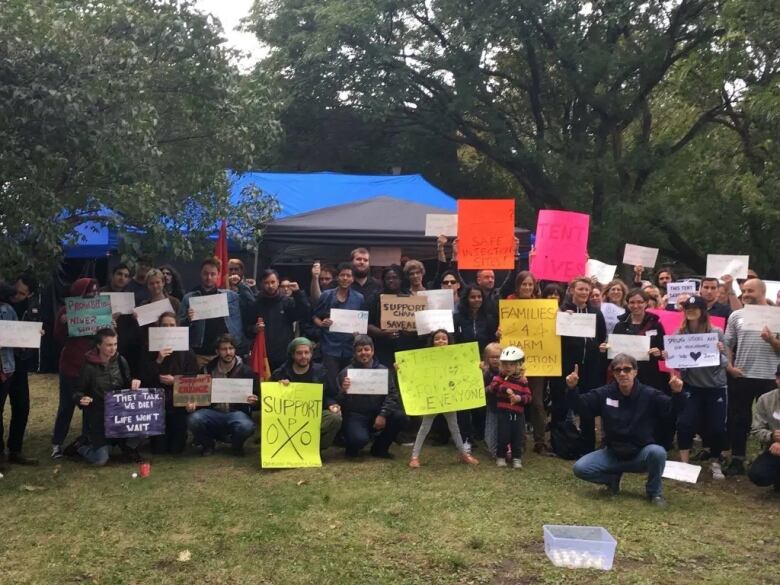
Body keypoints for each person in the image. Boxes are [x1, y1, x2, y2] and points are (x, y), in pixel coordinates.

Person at [567, 355, 686, 507]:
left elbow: (672, 412)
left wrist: (677, 393)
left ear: (635, 372)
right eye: (618, 370)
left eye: (627, 369)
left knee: (658, 452)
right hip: (612, 453)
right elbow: (582, 407)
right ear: (614, 374)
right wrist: (572, 389)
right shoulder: (605, 393)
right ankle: (612, 479)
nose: (623, 373)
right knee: (580, 468)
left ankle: (654, 492)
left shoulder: (649, 394)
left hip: (641, 453)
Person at [723, 278, 780, 475]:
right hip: (742, 375)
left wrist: (772, 340)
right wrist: (729, 366)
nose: (745, 294)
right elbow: (728, 344)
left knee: (773, 419)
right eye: (744, 291)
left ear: (763, 292)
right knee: (738, 418)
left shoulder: (777, 316)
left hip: (771, 377)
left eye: (750, 291)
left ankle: (771, 458)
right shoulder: (736, 315)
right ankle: (737, 458)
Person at [672, 296, 728, 479]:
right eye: (688, 307)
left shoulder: (717, 332)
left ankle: (715, 460)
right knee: (684, 423)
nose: (691, 310)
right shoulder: (679, 334)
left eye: (695, 307)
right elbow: (677, 363)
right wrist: (670, 355)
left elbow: (725, 362)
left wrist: (719, 353)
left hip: (715, 387)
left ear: (703, 311)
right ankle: (684, 464)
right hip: (692, 386)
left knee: (717, 427)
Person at [407, 330, 480, 468]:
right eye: (437, 339)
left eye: (444, 339)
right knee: (424, 427)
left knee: (454, 427)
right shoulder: (425, 358)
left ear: (449, 341)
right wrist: (401, 367)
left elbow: (466, 369)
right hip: (433, 398)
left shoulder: (455, 357)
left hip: (449, 398)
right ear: (432, 342)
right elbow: (413, 370)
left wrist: (478, 367)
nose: (441, 341)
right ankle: (414, 457)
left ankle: (464, 454)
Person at [71, 328, 143, 465]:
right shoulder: (88, 367)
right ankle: (80, 446)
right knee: (101, 460)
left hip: (121, 414)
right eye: (109, 345)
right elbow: (77, 391)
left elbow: (128, 383)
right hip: (99, 418)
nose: (113, 348)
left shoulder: (121, 361)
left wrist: (134, 382)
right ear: (98, 345)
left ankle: (128, 447)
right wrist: (81, 399)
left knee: (146, 424)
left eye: (115, 344)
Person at [551, 277, 607, 452]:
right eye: (580, 289)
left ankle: (587, 444)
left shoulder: (596, 312)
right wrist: (560, 318)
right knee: (561, 403)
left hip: (590, 366)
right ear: (571, 290)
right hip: (566, 365)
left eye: (586, 290)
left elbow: (601, 336)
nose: (584, 293)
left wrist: (601, 347)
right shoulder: (562, 310)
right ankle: (558, 443)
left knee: (587, 405)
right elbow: (552, 335)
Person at [51, 277, 100, 459]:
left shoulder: (100, 310)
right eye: (88, 294)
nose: (92, 296)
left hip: (93, 367)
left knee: (91, 405)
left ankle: (86, 441)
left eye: (95, 293)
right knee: (67, 406)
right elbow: (58, 337)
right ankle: (57, 443)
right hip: (71, 366)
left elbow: (105, 338)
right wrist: (64, 323)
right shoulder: (66, 311)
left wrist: (110, 325)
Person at [187, 334, 258, 456]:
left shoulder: (247, 371)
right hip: (212, 412)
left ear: (235, 350)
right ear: (217, 351)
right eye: (224, 349)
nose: (228, 352)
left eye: (231, 348)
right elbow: (197, 392)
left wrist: (255, 399)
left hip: (236, 413)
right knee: (194, 419)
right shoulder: (207, 370)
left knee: (247, 426)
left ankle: (236, 446)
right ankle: (208, 445)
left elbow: (258, 396)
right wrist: (193, 403)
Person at [337, 335, 406, 458]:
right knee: (358, 440)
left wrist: (383, 414)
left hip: (378, 412)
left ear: (372, 351)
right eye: (359, 350)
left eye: (366, 349)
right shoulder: (345, 373)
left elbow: (392, 394)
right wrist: (343, 390)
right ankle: (352, 444)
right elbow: (338, 401)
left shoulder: (383, 371)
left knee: (399, 417)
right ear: (354, 353)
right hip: (356, 415)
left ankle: (380, 449)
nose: (363, 353)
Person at [138, 312, 198, 454]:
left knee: (176, 449)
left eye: (172, 325)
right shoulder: (149, 348)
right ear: (159, 327)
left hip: (178, 401)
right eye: (164, 325)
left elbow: (194, 376)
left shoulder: (187, 350)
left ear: (177, 327)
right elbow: (143, 376)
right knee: (159, 449)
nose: (168, 328)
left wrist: (176, 381)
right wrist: (158, 360)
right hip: (157, 402)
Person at [270, 337, 342, 450]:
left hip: (313, 415)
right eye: (299, 353)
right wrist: (278, 388)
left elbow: (329, 394)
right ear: (292, 355)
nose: (303, 356)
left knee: (335, 418)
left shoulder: (321, 371)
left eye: (306, 352)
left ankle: (315, 449)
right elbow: (268, 401)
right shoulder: (280, 373)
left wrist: (331, 404)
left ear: (311, 354)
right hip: (288, 418)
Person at [505, 271, 549, 453]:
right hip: (515, 364)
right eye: (524, 284)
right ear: (518, 285)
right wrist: (500, 332)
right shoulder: (509, 304)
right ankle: (518, 442)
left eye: (531, 285)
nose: (527, 288)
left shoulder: (543, 306)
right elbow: (502, 327)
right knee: (517, 402)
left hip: (538, 363)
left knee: (537, 403)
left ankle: (540, 442)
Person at [179, 257, 249, 368]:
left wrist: (240, 284)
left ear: (218, 275)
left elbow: (251, 304)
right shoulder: (188, 298)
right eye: (205, 274)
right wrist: (188, 319)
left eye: (213, 274)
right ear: (200, 274)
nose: (209, 277)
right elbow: (179, 327)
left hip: (225, 354)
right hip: (200, 354)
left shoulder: (230, 296)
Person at [3, 275, 42, 466]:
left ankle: (15, 449)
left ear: (29, 294)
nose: (16, 295)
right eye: (15, 289)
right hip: (4, 363)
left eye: (21, 293)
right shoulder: (5, 305)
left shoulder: (32, 308)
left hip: (20, 363)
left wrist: (35, 335)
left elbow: (37, 330)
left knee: (22, 406)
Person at [313, 263, 365, 392]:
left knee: (348, 383)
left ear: (353, 279)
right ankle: (333, 407)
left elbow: (362, 320)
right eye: (343, 275)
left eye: (348, 275)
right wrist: (321, 323)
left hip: (350, 347)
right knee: (331, 383)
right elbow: (314, 316)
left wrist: (358, 333)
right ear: (337, 277)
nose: (345, 278)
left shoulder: (359, 298)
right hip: (330, 346)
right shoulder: (326, 295)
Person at [244, 269, 309, 372]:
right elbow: (246, 329)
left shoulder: (287, 301)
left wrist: (298, 293)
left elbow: (303, 313)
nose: (270, 286)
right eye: (266, 283)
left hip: (284, 356)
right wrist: (254, 329)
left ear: (278, 282)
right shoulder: (255, 303)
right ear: (261, 284)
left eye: (273, 282)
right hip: (262, 355)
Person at [487, 346, 533, 469]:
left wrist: (519, 399)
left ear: (519, 365)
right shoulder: (500, 377)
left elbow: (528, 396)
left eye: (511, 365)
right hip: (503, 413)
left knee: (517, 437)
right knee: (503, 436)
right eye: (505, 364)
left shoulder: (523, 381)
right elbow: (493, 387)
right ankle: (501, 456)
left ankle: (516, 458)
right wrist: (505, 389)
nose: (508, 367)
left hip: (518, 414)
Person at [748, 364, 780, 491]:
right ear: (777, 379)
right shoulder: (765, 400)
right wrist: (771, 436)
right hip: (775, 449)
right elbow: (756, 429)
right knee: (758, 474)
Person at [453, 285, 499, 355]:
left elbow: (492, 340)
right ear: (466, 299)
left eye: (479, 297)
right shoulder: (457, 318)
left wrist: (497, 335)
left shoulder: (489, 319)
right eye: (473, 297)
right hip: (463, 357)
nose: (477, 299)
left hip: (484, 359)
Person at [480, 342, 503, 457]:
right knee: (491, 428)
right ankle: (492, 449)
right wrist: (490, 388)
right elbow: (481, 390)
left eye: (498, 357)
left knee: (504, 428)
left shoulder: (506, 371)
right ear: (486, 358)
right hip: (492, 406)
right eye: (492, 357)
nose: (495, 360)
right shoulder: (485, 373)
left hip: (506, 406)